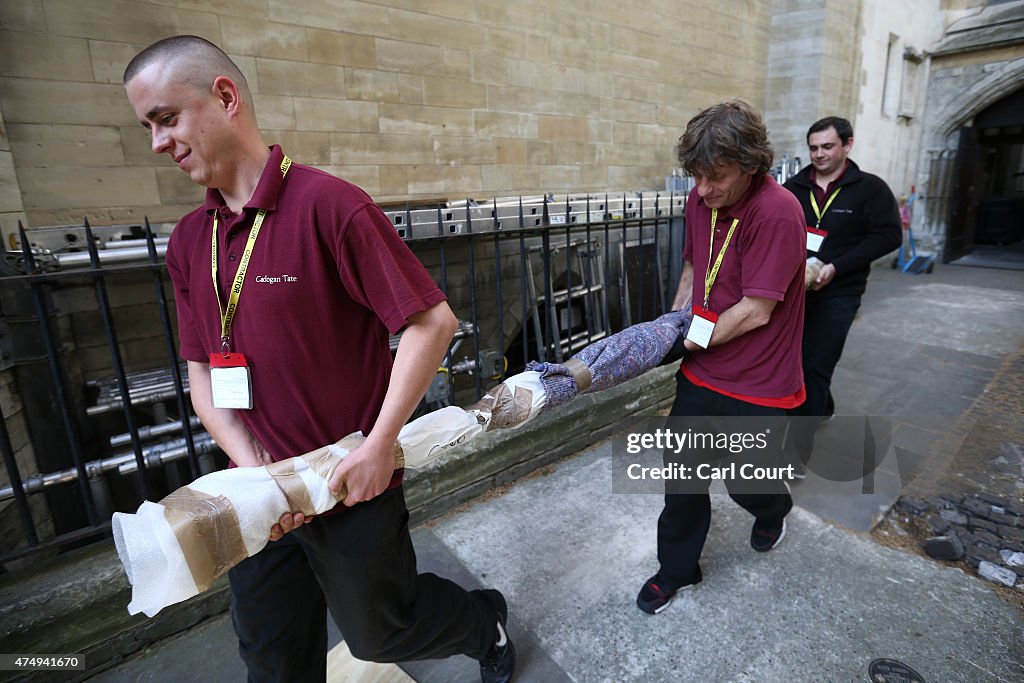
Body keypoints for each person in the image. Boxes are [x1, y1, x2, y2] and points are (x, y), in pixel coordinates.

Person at [122, 35, 514, 682]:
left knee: (381, 632)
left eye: (166, 118)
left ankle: (483, 620)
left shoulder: (330, 206)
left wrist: (380, 444)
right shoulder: (190, 240)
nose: (157, 142)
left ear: (225, 97)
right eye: (147, 127)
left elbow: (431, 323)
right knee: (272, 657)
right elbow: (200, 373)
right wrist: (257, 474)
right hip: (255, 490)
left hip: (349, 482)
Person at [636, 101, 807, 615]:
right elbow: (693, 264)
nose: (703, 190)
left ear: (752, 166)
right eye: (696, 176)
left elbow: (755, 311)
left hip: (759, 378)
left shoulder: (778, 212)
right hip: (704, 367)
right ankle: (678, 570)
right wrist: (674, 320)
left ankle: (773, 507)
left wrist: (685, 341)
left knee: (745, 479)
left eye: (716, 176)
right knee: (682, 477)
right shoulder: (700, 198)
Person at [783, 117, 901, 472]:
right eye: (814, 147)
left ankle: (794, 456)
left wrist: (838, 266)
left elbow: (888, 236)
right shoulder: (793, 187)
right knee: (799, 362)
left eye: (827, 146)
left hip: (840, 291)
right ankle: (824, 406)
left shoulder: (870, 189)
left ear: (847, 145)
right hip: (796, 290)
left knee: (814, 366)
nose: (819, 154)